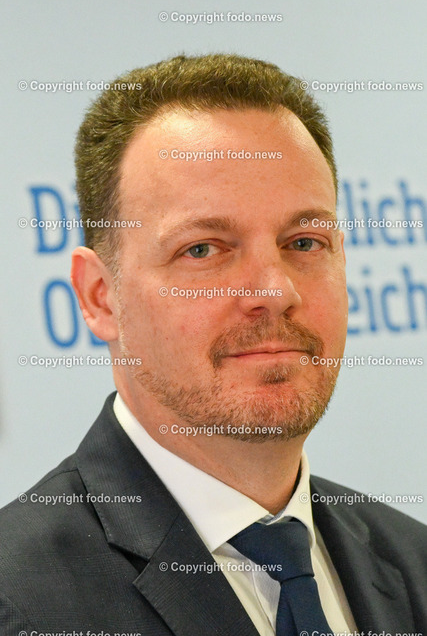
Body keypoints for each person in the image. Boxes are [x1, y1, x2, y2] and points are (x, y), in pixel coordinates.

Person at [0, 53, 425, 635]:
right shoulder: (18, 603)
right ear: (100, 297)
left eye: (304, 242)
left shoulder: (415, 563)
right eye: (202, 249)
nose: (274, 291)